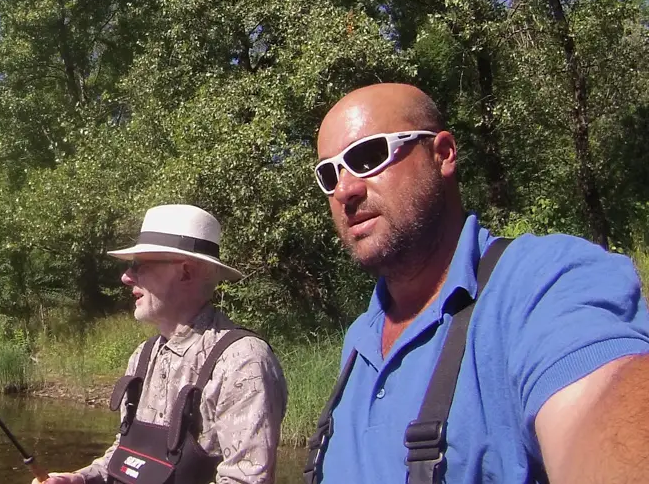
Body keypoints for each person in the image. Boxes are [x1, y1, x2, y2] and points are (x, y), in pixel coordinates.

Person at [305, 82, 649, 484]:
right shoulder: (358, 342)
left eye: (368, 156)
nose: (345, 188)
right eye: (328, 174)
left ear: (443, 154)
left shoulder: (542, 284)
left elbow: (601, 408)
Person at [36, 204, 288, 484]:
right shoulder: (142, 357)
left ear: (186, 273)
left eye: (139, 265)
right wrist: (80, 480)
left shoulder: (243, 361)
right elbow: (125, 457)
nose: (126, 277)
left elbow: (246, 480)